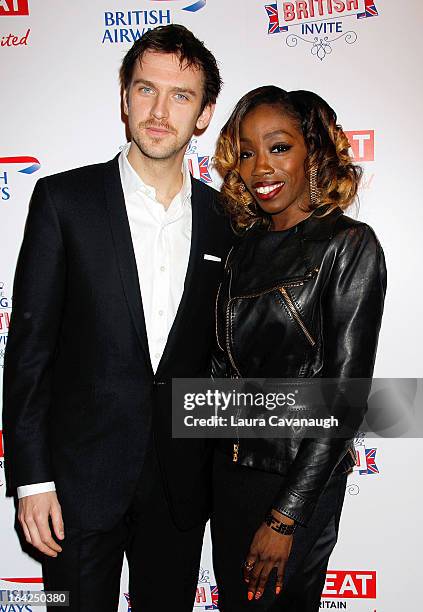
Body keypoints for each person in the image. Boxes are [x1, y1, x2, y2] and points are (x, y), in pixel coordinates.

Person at [2, 24, 233, 612]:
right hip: (75, 489)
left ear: (204, 114)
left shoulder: (225, 220)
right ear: (124, 98)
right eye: (145, 89)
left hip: (180, 490)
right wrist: (32, 480)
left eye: (181, 96)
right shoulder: (64, 202)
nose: (160, 111)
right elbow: (29, 353)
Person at [211, 86, 386, 611]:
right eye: (246, 151)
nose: (261, 166)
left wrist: (286, 516)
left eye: (279, 147)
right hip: (230, 477)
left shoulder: (348, 245)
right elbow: (221, 378)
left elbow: (345, 396)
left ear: (313, 150)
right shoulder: (239, 251)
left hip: (295, 482)